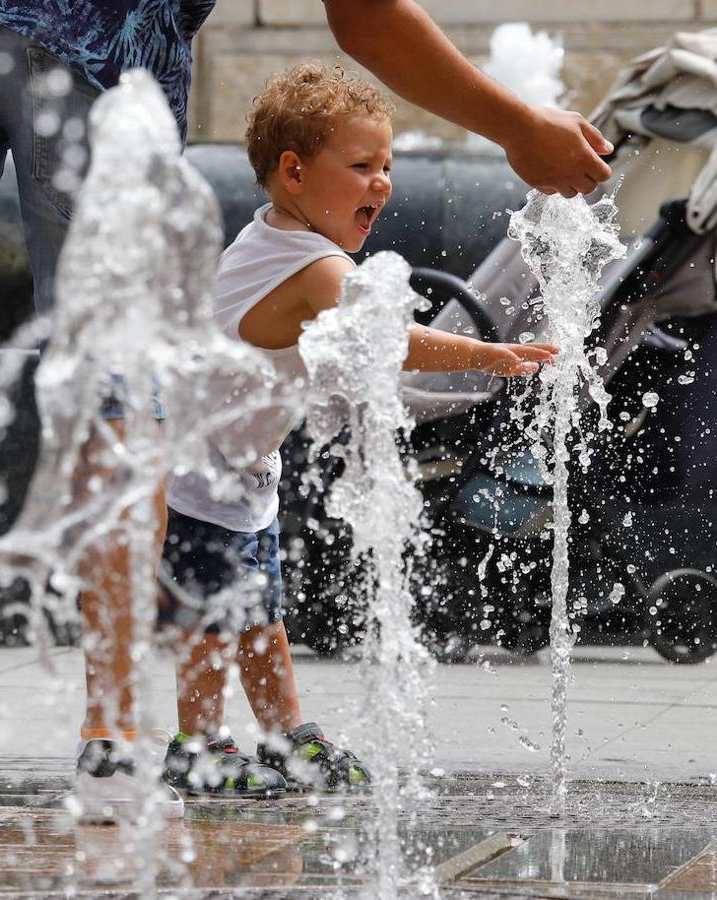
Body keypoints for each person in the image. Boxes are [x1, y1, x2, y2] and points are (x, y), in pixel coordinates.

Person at [0, 0, 611, 813]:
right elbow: (365, 16)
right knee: (113, 384)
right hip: (93, 53)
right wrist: (513, 126)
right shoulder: (304, 265)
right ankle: (112, 742)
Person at [159, 63, 560, 798]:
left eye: (386, 166)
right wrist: (487, 354)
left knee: (257, 614)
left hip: (230, 468)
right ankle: (196, 746)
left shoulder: (269, 239)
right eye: (360, 166)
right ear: (294, 173)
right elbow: (391, 336)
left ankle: (283, 736)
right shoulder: (312, 265)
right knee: (215, 619)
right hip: (196, 471)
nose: (381, 182)